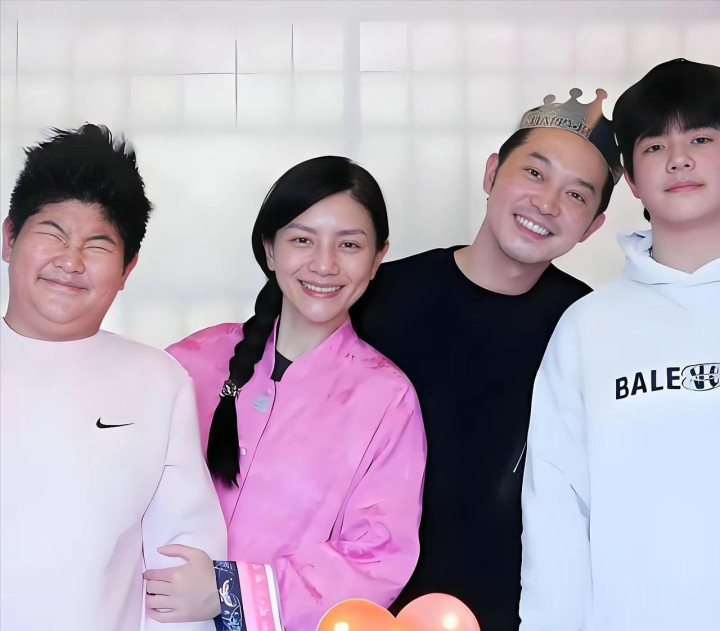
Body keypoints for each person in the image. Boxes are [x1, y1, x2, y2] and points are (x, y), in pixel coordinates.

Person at [351, 88, 623, 630]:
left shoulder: (591, 328)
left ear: (593, 225)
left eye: (576, 195)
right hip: (361, 605)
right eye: (535, 173)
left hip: (515, 612)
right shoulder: (377, 295)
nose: (546, 204)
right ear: (492, 172)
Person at [146, 156, 427, 631]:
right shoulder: (190, 362)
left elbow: (376, 556)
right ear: (270, 249)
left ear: (378, 258)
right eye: (302, 239)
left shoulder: (387, 399)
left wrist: (229, 592)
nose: (324, 264)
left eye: (349, 244)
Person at [519, 58, 720, 631]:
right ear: (631, 179)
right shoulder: (588, 326)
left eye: (700, 138)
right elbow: (556, 512)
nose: (678, 159)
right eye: (655, 146)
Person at [0, 124, 227, 631]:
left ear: (128, 269)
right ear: (9, 238)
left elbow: (181, 568)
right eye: (53, 233)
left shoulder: (157, 382)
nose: (70, 261)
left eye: (98, 245)